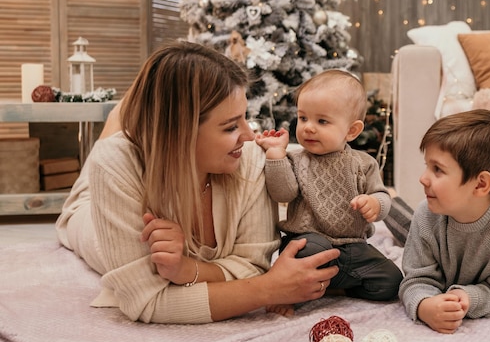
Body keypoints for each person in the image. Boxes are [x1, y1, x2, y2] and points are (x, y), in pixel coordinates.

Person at [55, 41, 340, 324]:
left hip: (157, 144)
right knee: (96, 171)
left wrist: (187, 269)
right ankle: (121, 115)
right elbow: (146, 301)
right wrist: (269, 290)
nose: (249, 135)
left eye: (245, 119)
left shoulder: (249, 157)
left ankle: (133, 110)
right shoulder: (114, 165)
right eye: (230, 126)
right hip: (90, 209)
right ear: (180, 133)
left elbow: (251, 266)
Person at [255, 69, 403, 316]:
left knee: (391, 281)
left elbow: (382, 196)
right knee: (311, 247)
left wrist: (375, 204)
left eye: (322, 121)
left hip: (352, 248)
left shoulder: (364, 163)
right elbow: (283, 193)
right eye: (303, 118)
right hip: (310, 244)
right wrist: (275, 155)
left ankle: (334, 289)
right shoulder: (295, 159)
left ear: (352, 131)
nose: (309, 128)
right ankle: (291, 291)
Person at [399, 109, 490, 334]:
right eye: (427, 165)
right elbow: (416, 278)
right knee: (405, 223)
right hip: (433, 225)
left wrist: (468, 298)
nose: (423, 178)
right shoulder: (426, 214)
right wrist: (424, 305)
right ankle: (393, 208)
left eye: (437, 170)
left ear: (480, 184)